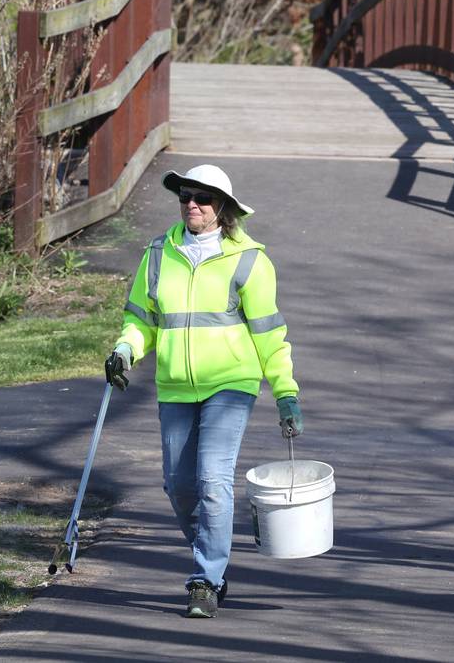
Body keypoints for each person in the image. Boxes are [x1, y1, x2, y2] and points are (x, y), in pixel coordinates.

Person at [105, 164, 303, 619]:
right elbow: (141, 321)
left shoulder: (250, 260)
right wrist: (124, 350)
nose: (192, 203)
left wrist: (285, 392)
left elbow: (271, 334)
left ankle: (205, 580)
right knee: (178, 485)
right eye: (185, 195)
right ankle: (212, 552)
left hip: (231, 385)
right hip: (175, 386)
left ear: (224, 209)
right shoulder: (158, 254)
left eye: (203, 197)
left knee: (213, 481)